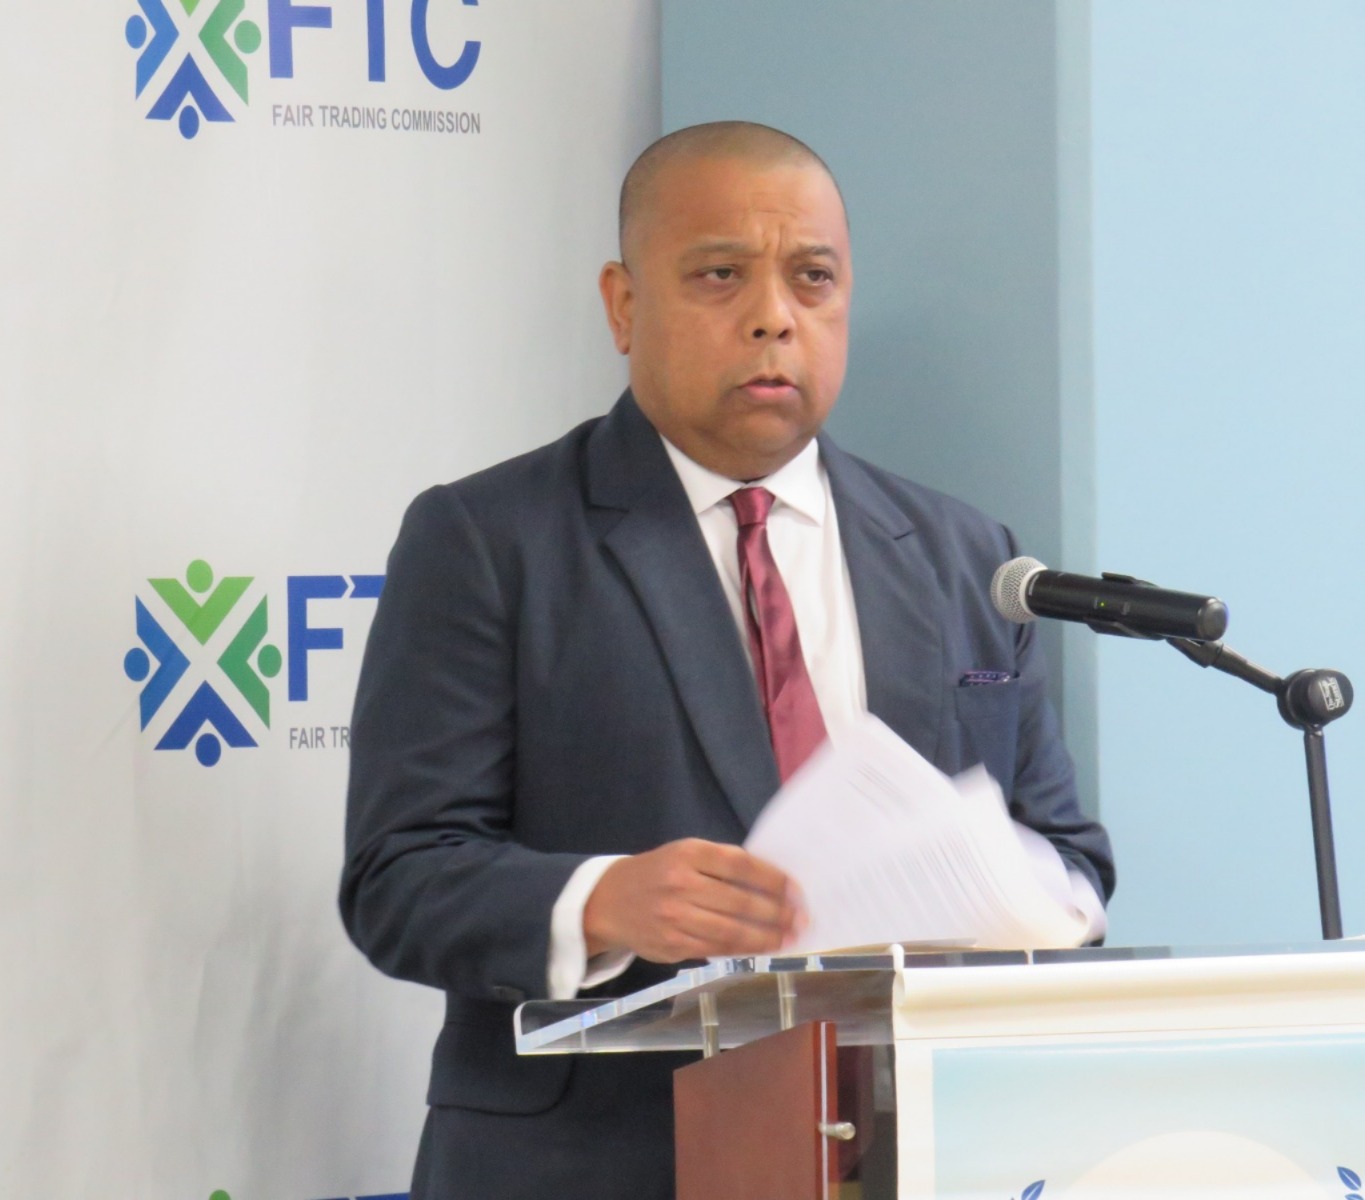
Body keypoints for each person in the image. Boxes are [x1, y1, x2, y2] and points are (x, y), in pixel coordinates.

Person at [340, 121, 1115, 1200]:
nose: (773, 316)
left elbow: (1069, 860)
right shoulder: (489, 540)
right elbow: (399, 876)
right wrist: (602, 899)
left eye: (813, 279)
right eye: (719, 275)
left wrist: (1025, 905)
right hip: (595, 1165)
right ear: (623, 305)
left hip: (913, 1156)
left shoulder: (962, 554)